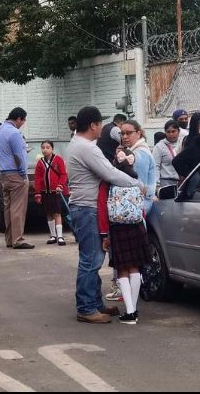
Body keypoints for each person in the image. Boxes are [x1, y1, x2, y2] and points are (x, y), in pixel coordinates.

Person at [66, 106, 142, 324]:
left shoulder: (78, 144)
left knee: (93, 257)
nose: (103, 127)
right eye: (100, 123)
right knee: (91, 259)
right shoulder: (87, 148)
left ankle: (95, 303)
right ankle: (86, 308)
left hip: (83, 207)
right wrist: (137, 184)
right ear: (93, 125)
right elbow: (110, 173)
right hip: (87, 208)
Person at [105, 142, 150, 325]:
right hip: (137, 226)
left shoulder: (112, 181)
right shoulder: (137, 182)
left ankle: (130, 312)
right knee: (135, 268)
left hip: (118, 227)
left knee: (122, 269)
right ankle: (134, 309)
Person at [0, 107, 33, 249]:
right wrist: (23, 173)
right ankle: (18, 239)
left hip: (4, 173)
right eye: (23, 120)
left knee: (8, 207)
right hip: (16, 173)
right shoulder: (15, 133)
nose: (23, 123)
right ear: (18, 119)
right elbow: (18, 155)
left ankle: (10, 238)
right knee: (18, 208)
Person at [34, 141, 69, 246]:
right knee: (49, 213)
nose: (45, 149)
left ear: (52, 149)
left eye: (47, 147)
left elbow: (63, 174)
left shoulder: (58, 160)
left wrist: (60, 185)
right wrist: (38, 192)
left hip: (56, 192)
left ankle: (60, 236)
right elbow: (38, 178)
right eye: (43, 147)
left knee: (57, 213)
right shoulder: (40, 163)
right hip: (46, 192)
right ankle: (53, 235)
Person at [123, 121, 157, 216]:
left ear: (138, 133)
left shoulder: (139, 153)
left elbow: (140, 182)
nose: (124, 136)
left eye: (129, 133)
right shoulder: (136, 150)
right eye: (122, 133)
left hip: (140, 204)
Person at [153, 120, 182, 187]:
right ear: (165, 132)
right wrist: (157, 184)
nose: (171, 134)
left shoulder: (183, 143)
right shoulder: (159, 146)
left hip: (181, 183)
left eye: (173, 131)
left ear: (178, 131)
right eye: (168, 132)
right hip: (166, 183)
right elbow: (155, 166)